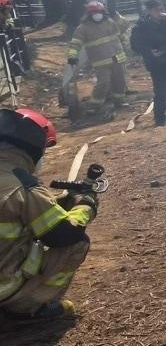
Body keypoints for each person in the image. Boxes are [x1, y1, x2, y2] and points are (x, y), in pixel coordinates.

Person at [0, 107, 97, 321]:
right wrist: (86, 205)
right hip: (5, 290)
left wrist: (59, 201)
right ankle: (28, 305)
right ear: (33, 148)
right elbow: (62, 234)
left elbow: (15, 211)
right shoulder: (23, 185)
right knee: (78, 243)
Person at [67, 0, 131, 115]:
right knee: (103, 83)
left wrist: (125, 45)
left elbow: (120, 34)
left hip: (117, 58)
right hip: (100, 61)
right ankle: (94, 105)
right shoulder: (83, 28)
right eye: (93, 12)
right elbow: (75, 43)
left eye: (99, 11)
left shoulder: (110, 22)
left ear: (103, 11)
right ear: (89, 14)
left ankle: (119, 100)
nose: (97, 14)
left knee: (120, 80)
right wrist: (72, 56)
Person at [130, 0, 166, 126]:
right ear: (149, 11)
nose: (160, 12)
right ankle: (159, 120)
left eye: (161, 9)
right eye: (156, 10)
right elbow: (135, 45)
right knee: (160, 92)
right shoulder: (141, 27)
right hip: (156, 64)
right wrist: (150, 52)